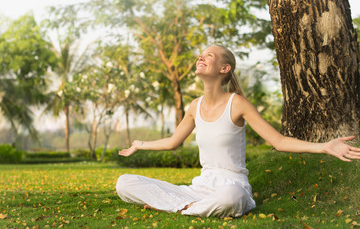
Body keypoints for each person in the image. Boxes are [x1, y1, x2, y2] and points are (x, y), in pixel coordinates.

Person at [116, 45, 360, 218]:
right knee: (124, 183)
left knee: (231, 198)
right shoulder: (194, 106)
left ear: (224, 68)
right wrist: (139, 144)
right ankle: (192, 205)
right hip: (200, 187)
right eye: (200, 55)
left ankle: (178, 207)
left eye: (208, 55)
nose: (201, 58)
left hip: (232, 186)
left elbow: (279, 140)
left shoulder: (237, 104)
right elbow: (172, 141)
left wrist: (325, 146)